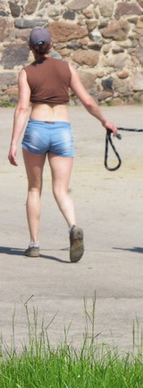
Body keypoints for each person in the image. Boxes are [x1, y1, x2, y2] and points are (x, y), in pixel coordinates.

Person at [8, 26, 118, 262]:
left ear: (31, 48)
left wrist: (13, 143)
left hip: (36, 130)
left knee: (34, 189)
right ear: (51, 45)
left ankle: (34, 244)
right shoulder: (66, 68)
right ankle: (72, 226)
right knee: (61, 189)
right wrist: (105, 121)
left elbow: (23, 108)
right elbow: (87, 101)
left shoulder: (26, 72)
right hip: (62, 131)